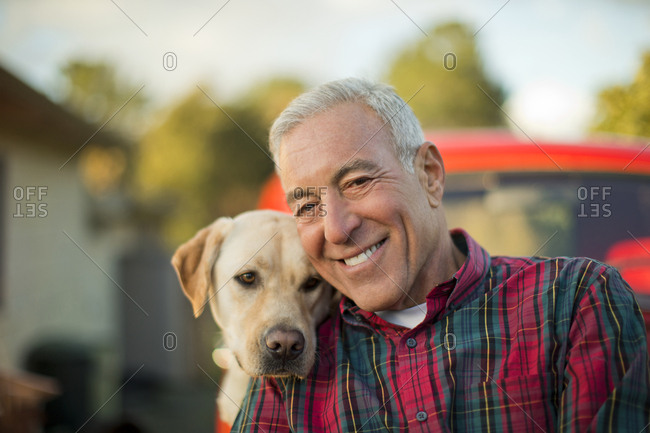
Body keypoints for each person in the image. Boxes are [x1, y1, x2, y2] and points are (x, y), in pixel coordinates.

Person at [231, 78, 650, 432]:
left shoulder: (572, 301)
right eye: (307, 207)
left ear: (429, 174)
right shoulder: (292, 364)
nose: (336, 229)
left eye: (358, 182)